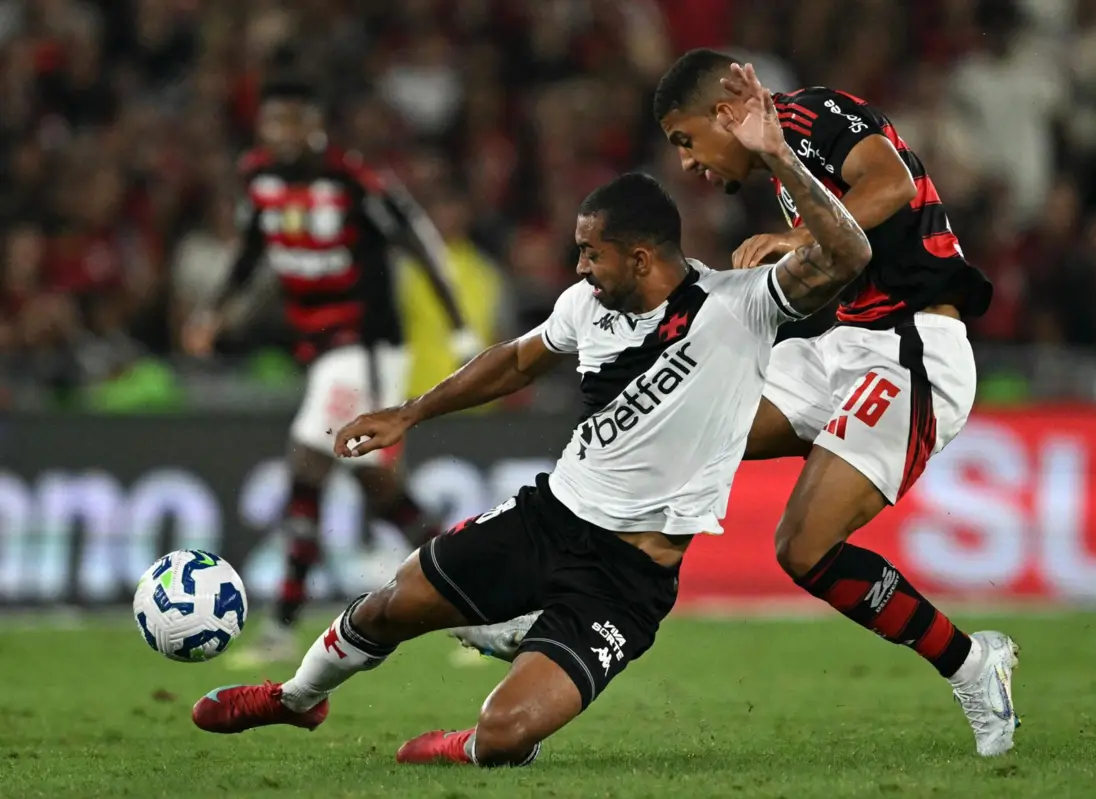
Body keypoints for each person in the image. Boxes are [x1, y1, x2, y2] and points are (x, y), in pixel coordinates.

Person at [190, 164, 872, 766]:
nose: (578, 266)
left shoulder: (742, 305)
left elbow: (847, 254)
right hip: (547, 520)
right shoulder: (586, 306)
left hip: (626, 579)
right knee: (393, 604)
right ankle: (297, 697)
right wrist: (410, 412)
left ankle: (480, 726)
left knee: (505, 735)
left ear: (640, 258)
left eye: (591, 252)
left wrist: (777, 159)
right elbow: (516, 361)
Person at [453, 52, 1021, 759]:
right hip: (842, 345)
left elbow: (891, 183)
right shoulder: (783, 159)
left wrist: (801, 234)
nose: (687, 162)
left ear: (725, 112)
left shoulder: (812, 115)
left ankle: (972, 662)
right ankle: (558, 604)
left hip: (912, 348)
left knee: (803, 548)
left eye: (686, 139)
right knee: (679, 427)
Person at [182, 75, 480, 667]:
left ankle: (281, 624)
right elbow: (250, 251)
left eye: (296, 121)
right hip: (321, 348)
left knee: (306, 463)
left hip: (366, 346)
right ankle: (484, 603)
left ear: (317, 127)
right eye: (275, 122)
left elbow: (418, 240)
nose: (284, 133)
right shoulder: (259, 180)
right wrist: (212, 311)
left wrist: (457, 323)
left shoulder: (353, 180)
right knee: (383, 494)